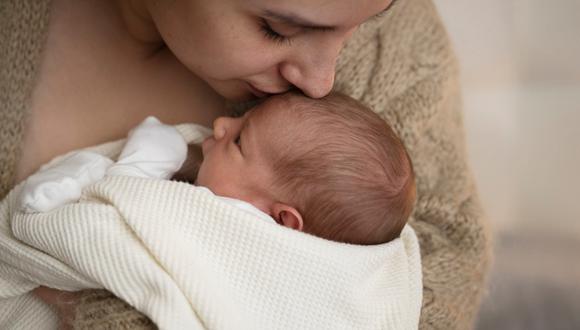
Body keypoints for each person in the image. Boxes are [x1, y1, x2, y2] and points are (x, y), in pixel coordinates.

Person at [1, 0, 491, 328]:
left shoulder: (397, 47)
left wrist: (98, 293)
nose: (322, 82)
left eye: (366, 24)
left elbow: (443, 271)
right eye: (278, 28)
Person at [21, 92, 416, 246]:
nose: (222, 124)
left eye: (240, 141)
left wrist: (149, 160)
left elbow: (118, 227)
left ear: (282, 220)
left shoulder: (238, 233)